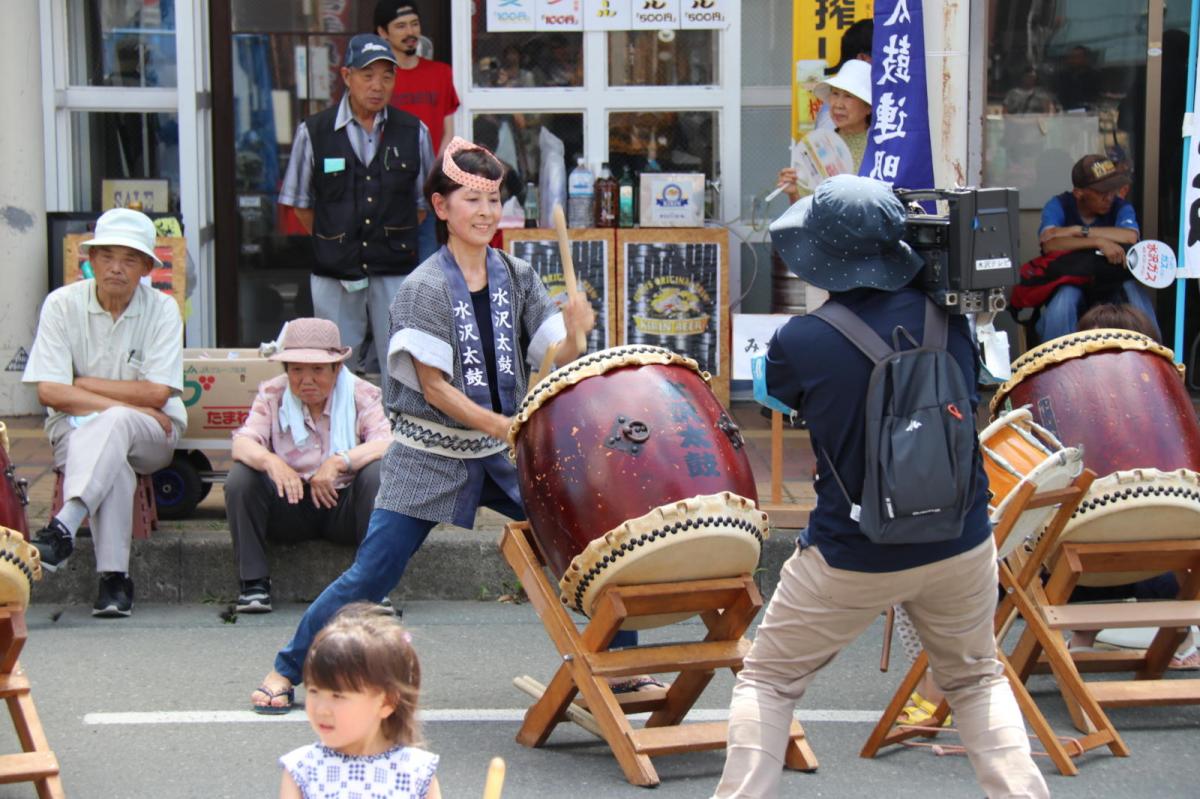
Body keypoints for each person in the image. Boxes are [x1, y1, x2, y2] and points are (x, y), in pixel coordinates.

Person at [712, 176, 1048, 798]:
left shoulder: (803, 339)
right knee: (976, 679)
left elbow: (775, 395)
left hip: (854, 550)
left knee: (769, 681)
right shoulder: (949, 317)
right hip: (961, 540)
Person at [252, 136, 600, 713]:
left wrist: (579, 331)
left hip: (499, 448)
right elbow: (435, 388)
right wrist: (502, 424)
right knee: (372, 574)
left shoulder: (517, 275)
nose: (486, 213)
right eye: (471, 200)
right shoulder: (423, 288)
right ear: (441, 208)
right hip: (429, 452)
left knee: (583, 538)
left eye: (494, 201)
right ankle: (287, 667)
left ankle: (617, 672)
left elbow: (558, 354)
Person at [23, 208, 186, 618]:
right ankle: (115, 581)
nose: (116, 268)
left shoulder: (162, 309)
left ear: (147, 267)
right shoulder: (61, 305)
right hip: (78, 434)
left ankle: (61, 528)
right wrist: (132, 403)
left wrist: (82, 384)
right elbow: (49, 391)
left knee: (112, 425)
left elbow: (158, 390)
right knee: (112, 448)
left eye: (130, 259)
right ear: (90, 260)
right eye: (107, 256)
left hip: (152, 436)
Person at [278, 33, 435, 375]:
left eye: (387, 76)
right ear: (347, 77)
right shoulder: (314, 131)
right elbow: (301, 205)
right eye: (368, 75)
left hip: (393, 267)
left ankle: (395, 429)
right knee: (334, 366)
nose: (378, 86)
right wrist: (335, 238)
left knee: (401, 366)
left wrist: (390, 233)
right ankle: (338, 429)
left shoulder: (414, 131)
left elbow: (423, 204)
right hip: (335, 269)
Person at [226, 318, 391, 614]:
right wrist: (272, 461)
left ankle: (373, 586)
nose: (307, 380)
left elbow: (387, 443)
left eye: (317, 370)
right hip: (291, 503)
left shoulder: (362, 393)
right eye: (297, 369)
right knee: (241, 477)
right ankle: (253, 584)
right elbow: (242, 443)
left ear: (337, 369)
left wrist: (340, 461)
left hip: (343, 506)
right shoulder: (272, 394)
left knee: (377, 473)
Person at [277, 603, 442, 799]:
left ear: (386, 702)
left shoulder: (417, 771)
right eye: (314, 691)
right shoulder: (302, 769)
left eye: (338, 696)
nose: (322, 710)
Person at [1011, 154, 1160, 344]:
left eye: (1112, 189)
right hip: (1073, 279)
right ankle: (1057, 363)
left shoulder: (1121, 207)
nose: (1109, 197)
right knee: (1064, 299)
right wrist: (1100, 242)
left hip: (1112, 280)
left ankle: (1153, 354)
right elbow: (1050, 242)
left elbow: (1129, 236)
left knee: (1136, 298)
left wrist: (1076, 232)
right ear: (1079, 193)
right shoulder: (1059, 205)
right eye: (1101, 191)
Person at [375, 1, 461, 264]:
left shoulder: (440, 73)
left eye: (414, 24)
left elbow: (449, 130)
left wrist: (432, 173)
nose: (409, 31)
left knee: (429, 271)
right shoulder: (378, 81)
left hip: (430, 189)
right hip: (386, 192)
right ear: (383, 32)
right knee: (388, 275)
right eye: (400, 26)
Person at [775, 60, 872, 205]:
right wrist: (794, 192)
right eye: (835, 94)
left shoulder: (880, 149)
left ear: (868, 107)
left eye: (848, 96)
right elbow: (805, 213)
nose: (838, 104)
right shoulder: (818, 145)